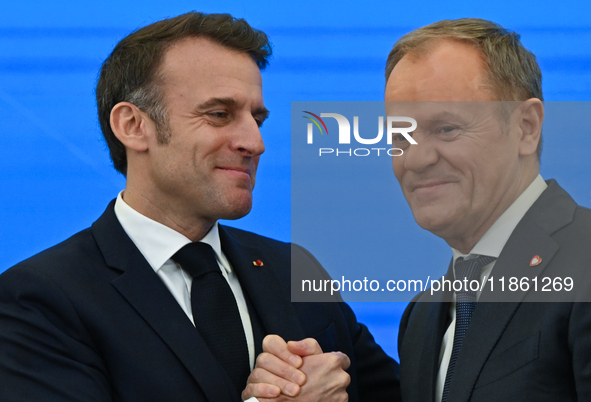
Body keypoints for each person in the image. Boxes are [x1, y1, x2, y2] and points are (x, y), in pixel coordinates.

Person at [0, 12, 400, 402]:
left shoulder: (293, 269)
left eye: (256, 119)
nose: (254, 143)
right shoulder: (42, 299)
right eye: (219, 114)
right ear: (133, 126)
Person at [383, 18, 591, 401]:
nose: (414, 159)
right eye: (400, 136)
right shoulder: (421, 316)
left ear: (526, 127)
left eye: (446, 129)